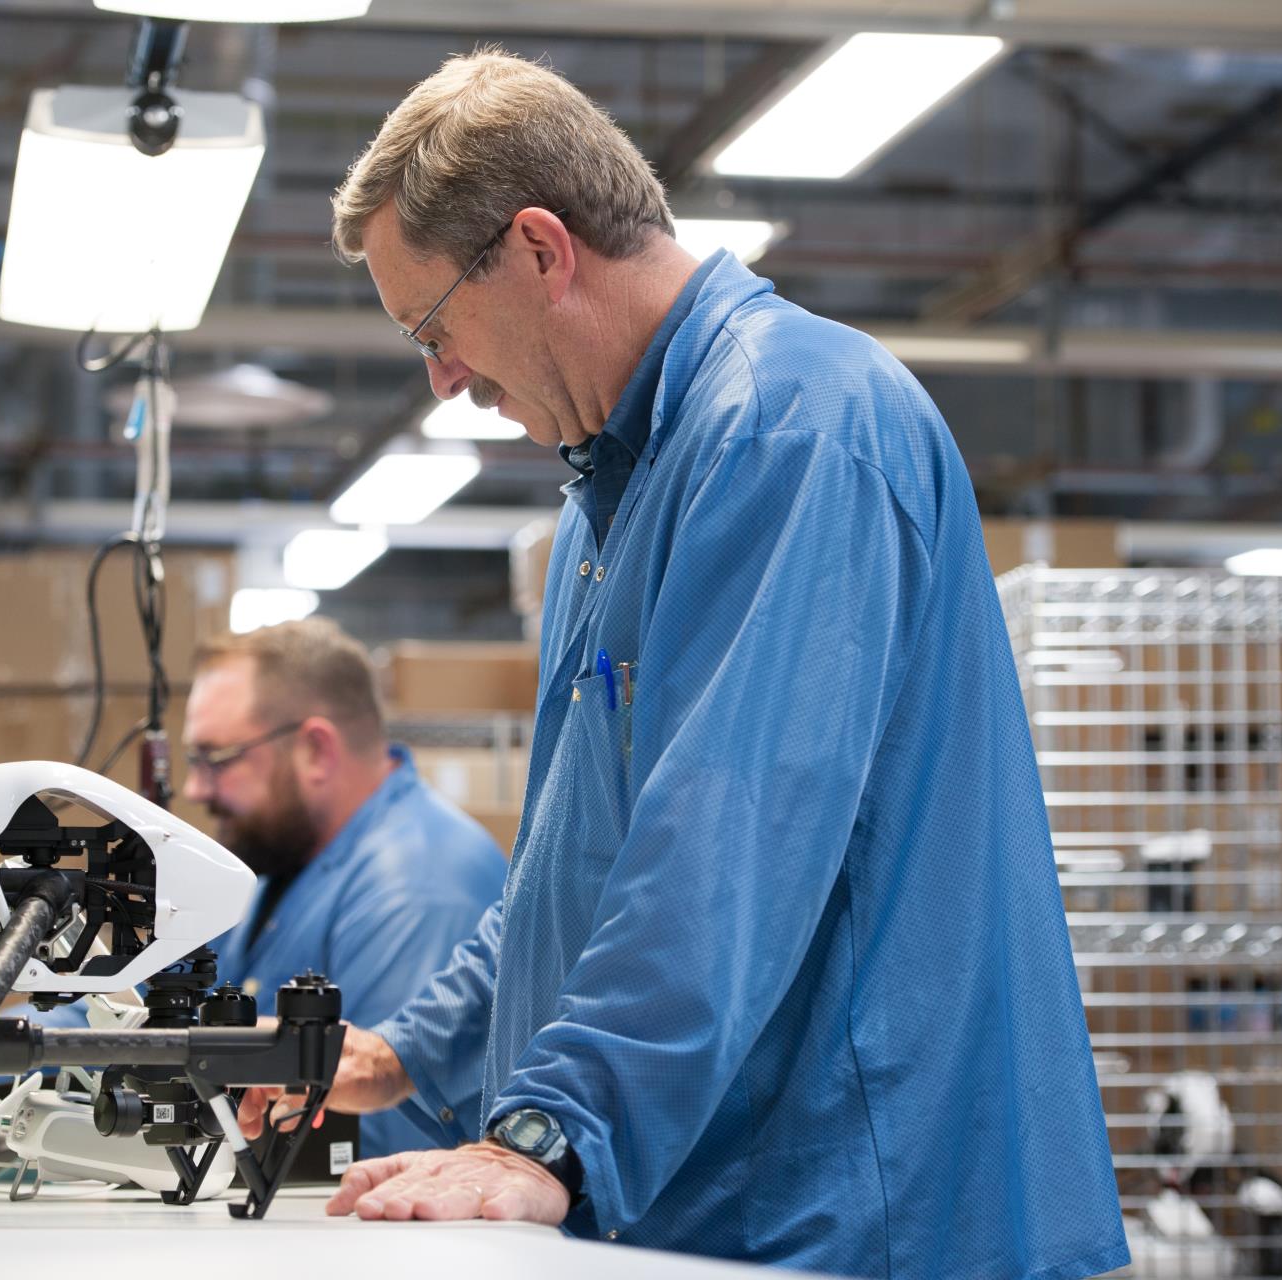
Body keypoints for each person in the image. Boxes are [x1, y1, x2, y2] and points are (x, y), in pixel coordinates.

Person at [238, 50, 1129, 1277]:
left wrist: (545, 1133)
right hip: (723, 1207)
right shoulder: (612, 497)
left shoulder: (789, 426)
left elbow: (729, 835)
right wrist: (410, 1051)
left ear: (542, 251)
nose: (440, 379)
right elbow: (578, 859)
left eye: (434, 326)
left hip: (861, 1211)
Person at [180, 618, 506, 1158]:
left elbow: (376, 1139)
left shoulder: (417, 886)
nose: (195, 787)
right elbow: (162, 1005)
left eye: (216, 759)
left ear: (316, 750)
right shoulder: (285, 858)